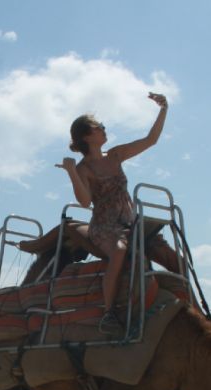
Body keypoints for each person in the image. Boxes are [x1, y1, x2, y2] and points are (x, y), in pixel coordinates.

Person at [57, 93, 180, 326]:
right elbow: (85, 202)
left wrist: (163, 109)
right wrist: (71, 172)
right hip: (105, 226)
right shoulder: (84, 169)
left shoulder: (115, 155)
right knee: (120, 251)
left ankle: (189, 303)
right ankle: (109, 312)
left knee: (172, 257)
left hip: (130, 223)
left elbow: (151, 140)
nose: (104, 129)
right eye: (99, 127)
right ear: (86, 136)